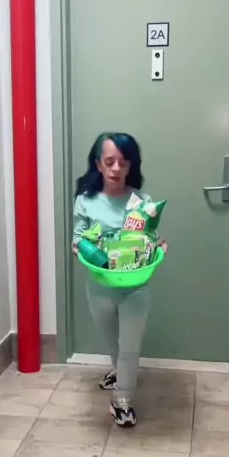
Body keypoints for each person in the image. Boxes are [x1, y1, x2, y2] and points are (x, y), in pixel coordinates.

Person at [73, 132, 166, 428]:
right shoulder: (86, 201)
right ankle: (118, 372)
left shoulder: (142, 202)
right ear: (98, 164)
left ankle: (122, 400)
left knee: (129, 346)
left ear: (131, 166)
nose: (116, 168)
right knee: (113, 343)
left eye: (123, 162)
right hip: (100, 286)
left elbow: (150, 238)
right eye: (109, 161)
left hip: (136, 287)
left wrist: (158, 246)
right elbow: (78, 238)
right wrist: (79, 246)